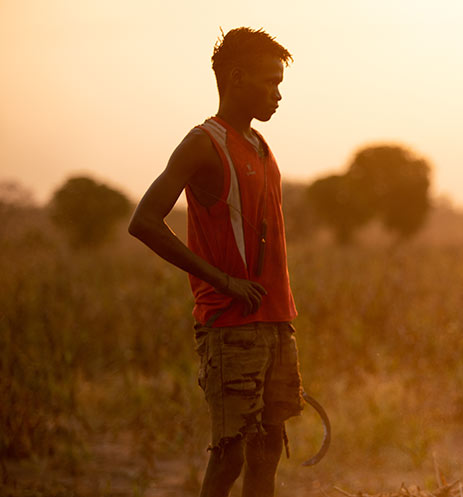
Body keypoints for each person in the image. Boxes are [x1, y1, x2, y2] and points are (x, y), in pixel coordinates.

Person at [128, 27, 302, 497]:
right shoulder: (204, 143)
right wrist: (223, 280)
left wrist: (279, 313)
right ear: (237, 78)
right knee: (230, 455)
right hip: (230, 326)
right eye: (270, 82)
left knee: (267, 450)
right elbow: (143, 221)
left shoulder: (261, 145)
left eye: (280, 83)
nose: (278, 94)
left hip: (275, 322)